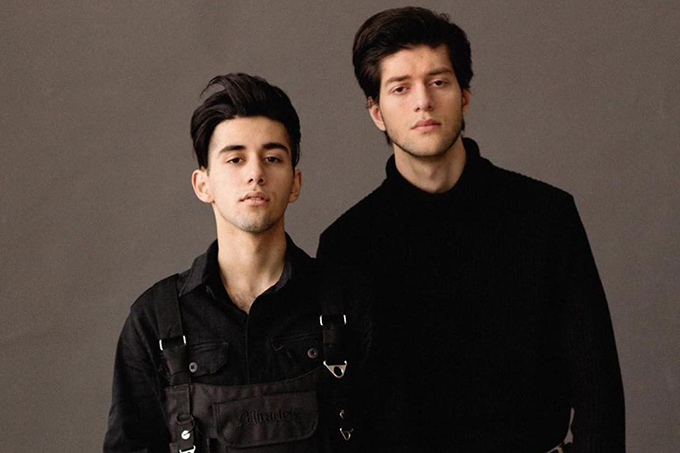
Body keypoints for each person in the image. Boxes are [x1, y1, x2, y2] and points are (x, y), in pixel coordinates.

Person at [317, 7, 625, 453]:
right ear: (376, 112)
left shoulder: (546, 216)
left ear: (464, 96)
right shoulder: (348, 244)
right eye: (400, 88)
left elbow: (599, 390)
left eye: (438, 82)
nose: (423, 101)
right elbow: (341, 406)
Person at [104, 73, 371, 453]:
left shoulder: (349, 304)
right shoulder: (154, 321)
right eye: (235, 159)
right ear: (203, 185)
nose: (255, 173)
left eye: (272, 158)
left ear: (295, 183)